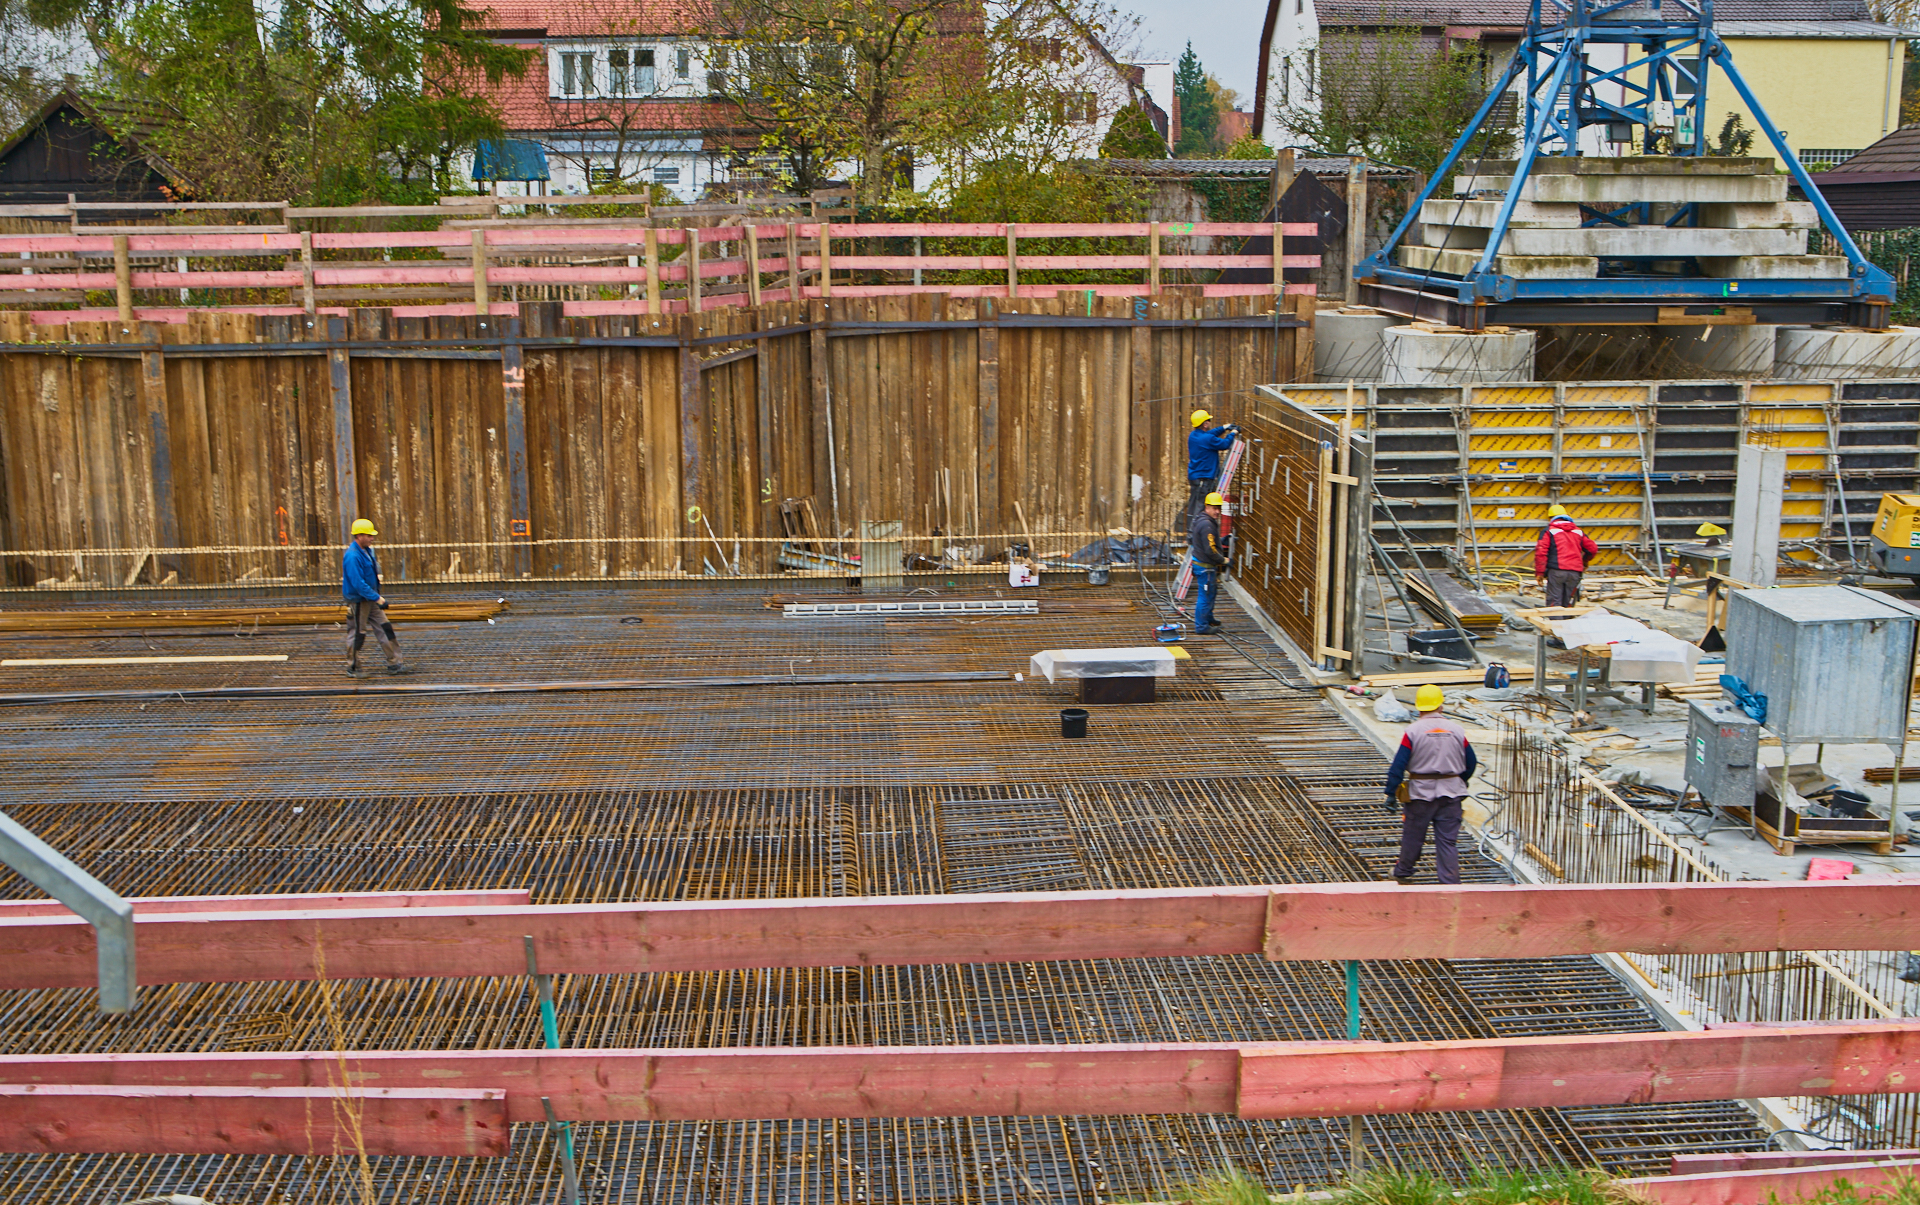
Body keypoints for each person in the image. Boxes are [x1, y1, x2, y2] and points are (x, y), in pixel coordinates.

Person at [1383, 684, 1477, 885]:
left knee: (1413, 836)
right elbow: (1471, 763)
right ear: (1440, 706)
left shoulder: (1413, 731)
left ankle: (1403, 871)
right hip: (1451, 795)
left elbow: (1399, 764)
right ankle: (1450, 883)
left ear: (1419, 708)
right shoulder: (1457, 730)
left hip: (1420, 795)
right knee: (1447, 841)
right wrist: (1460, 782)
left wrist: (1391, 792)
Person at [342, 518, 407, 677]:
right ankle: (353, 667)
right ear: (359, 536)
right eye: (369, 535)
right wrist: (378, 598)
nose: (372, 538)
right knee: (358, 633)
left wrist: (375, 595)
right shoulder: (352, 556)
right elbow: (358, 583)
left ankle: (395, 662)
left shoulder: (366, 551)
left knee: (384, 627)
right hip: (359, 601)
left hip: (370, 599)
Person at [1534, 503, 1599, 607]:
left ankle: (1556, 623)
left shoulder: (1548, 531)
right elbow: (1592, 549)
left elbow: (1541, 552)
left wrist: (1540, 572)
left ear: (1550, 518)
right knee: (1568, 604)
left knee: (1554, 604)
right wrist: (1584, 561)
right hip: (1575, 573)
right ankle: (1567, 622)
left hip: (1556, 572)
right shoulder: (1578, 531)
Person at [1185, 410, 1239, 531]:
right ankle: (1194, 534)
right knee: (1200, 507)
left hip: (1195, 476)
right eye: (1208, 420)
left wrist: (1224, 428)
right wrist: (1233, 433)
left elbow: (1210, 434)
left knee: (1193, 505)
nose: (1210, 422)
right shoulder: (1207, 439)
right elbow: (1225, 444)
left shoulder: (1193, 436)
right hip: (1204, 478)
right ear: (1204, 424)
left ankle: (1191, 531)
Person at [1188, 491, 1230, 635]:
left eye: (1219, 508)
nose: (1217, 511)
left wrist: (1221, 541)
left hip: (1202, 565)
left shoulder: (1202, 519)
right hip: (1205, 567)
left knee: (1211, 593)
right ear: (1207, 507)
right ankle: (1201, 626)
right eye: (1214, 508)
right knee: (1205, 597)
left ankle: (1208, 618)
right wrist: (1224, 560)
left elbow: (1208, 541)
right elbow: (1210, 550)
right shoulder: (1207, 524)